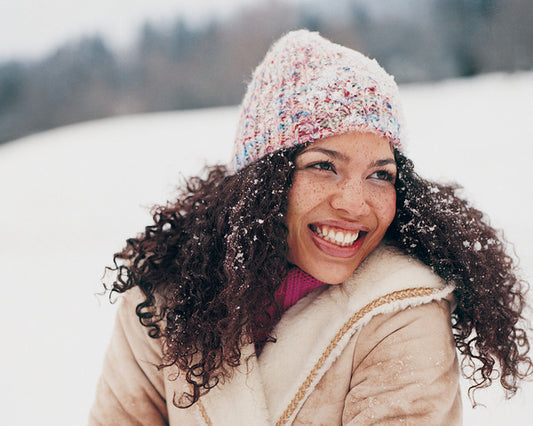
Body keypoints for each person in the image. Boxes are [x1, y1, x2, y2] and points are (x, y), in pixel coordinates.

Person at [89, 30, 532, 425]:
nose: (355, 204)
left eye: (381, 174)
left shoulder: (402, 312)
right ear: (262, 183)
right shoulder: (164, 298)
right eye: (324, 166)